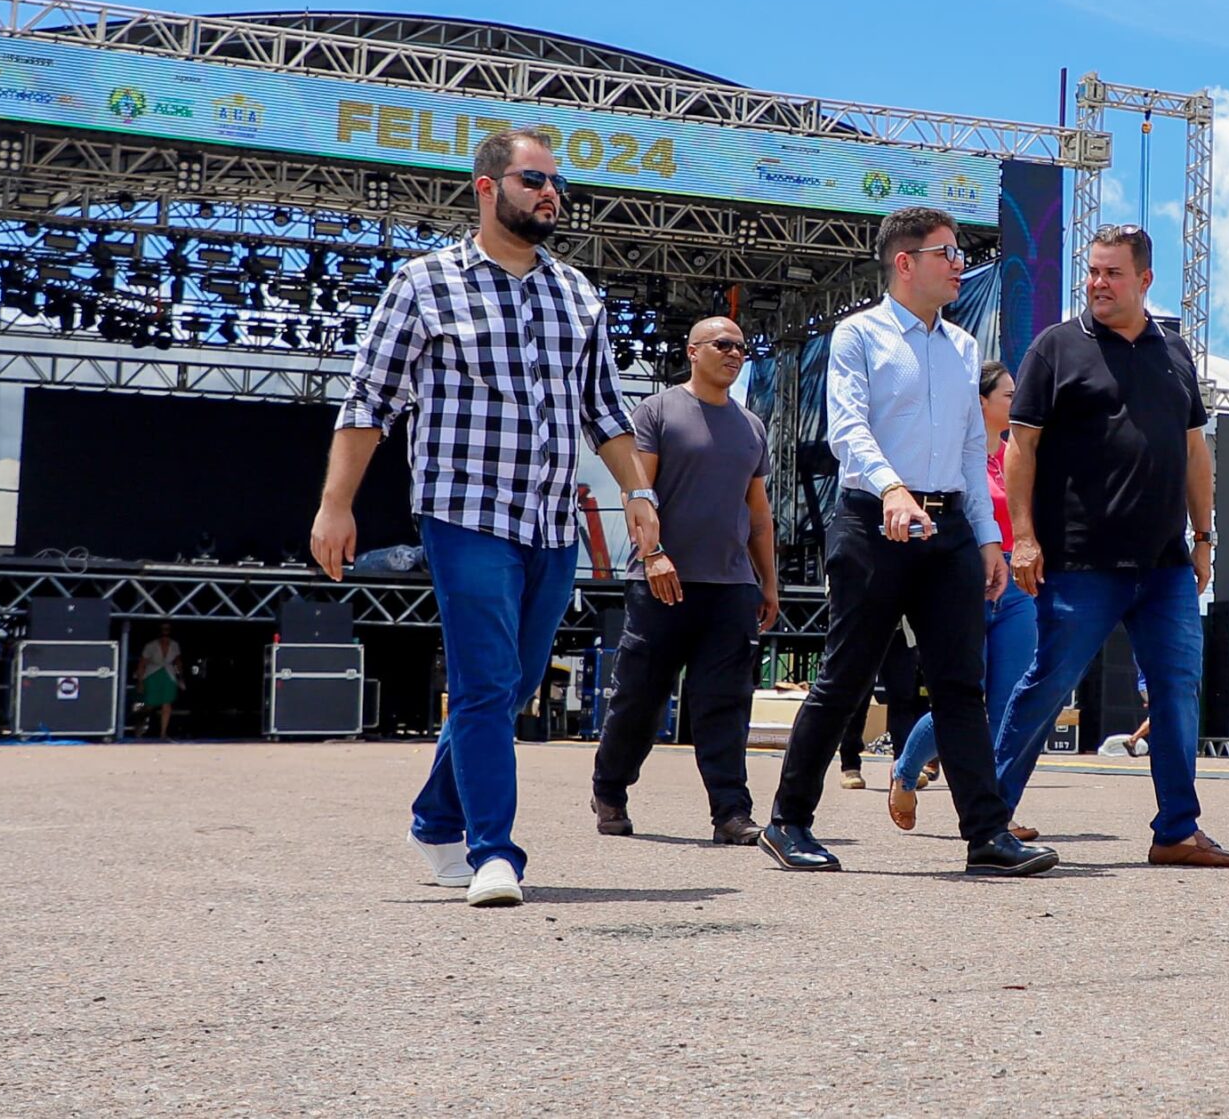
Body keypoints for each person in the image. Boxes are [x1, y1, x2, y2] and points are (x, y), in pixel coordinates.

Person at [312, 127, 661, 907]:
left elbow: (606, 412)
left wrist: (639, 495)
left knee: (514, 683)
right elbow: (369, 399)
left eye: (557, 183)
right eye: (534, 179)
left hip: (551, 523)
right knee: (482, 682)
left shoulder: (578, 294)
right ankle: (493, 850)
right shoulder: (424, 282)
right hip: (464, 512)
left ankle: (435, 817)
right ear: (486, 186)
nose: (551, 193)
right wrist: (336, 504)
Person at [758, 207, 1056, 878]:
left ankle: (986, 833)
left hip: (949, 529)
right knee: (845, 677)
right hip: (874, 521)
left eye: (960, 253)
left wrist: (988, 538)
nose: (959, 265)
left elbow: (973, 447)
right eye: (946, 253)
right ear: (904, 262)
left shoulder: (962, 347)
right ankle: (788, 821)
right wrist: (892, 488)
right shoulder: (857, 335)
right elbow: (847, 429)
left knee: (960, 685)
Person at [991, 224, 1229, 868]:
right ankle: (988, 822)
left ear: (1145, 279)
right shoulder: (1056, 347)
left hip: (1164, 564)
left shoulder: (1174, 351)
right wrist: (1024, 539)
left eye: (1112, 273)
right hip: (1080, 560)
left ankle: (1176, 831)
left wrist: (1204, 538)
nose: (1098, 284)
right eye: (1093, 271)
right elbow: (1021, 447)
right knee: (1047, 685)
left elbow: (1195, 453)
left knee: (1177, 690)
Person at [590, 316, 780, 846]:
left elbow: (758, 514)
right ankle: (609, 790)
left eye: (741, 347)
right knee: (640, 698)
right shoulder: (657, 411)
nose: (734, 353)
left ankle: (731, 813)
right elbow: (637, 492)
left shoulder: (752, 426)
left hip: (731, 586)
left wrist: (768, 582)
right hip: (662, 582)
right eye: (723, 344)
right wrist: (653, 555)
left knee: (725, 703)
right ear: (693, 351)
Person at [888, 360, 1042, 841]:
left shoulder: (1021, 455)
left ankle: (995, 811)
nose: (1017, 402)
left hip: (1017, 588)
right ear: (981, 403)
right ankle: (905, 772)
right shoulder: (955, 460)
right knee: (963, 699)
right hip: (964, 581)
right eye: (1008, 395)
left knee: (1009, 702)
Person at [834, 628, 923, 792]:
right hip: (865, 625)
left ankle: (904, 767)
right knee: (858, 698)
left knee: (903, 698)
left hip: (901, 629)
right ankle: (850, 765)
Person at [136, 622, 185, 740]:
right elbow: (142, 664)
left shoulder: (175, 645)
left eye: (167, 629)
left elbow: (178, 662)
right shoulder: (150, 645)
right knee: (149, 705)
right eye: (163, 629)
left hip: (169, 676)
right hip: (152, 675)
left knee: (167, 704)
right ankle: (139, 726)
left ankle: (163, 733)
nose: (165, 632)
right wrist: (140, 682)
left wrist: (181, 678)